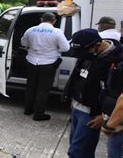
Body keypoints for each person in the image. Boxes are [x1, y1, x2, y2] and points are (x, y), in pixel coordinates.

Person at [63, 29, 122, 157]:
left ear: (97, 45)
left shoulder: (116, 61)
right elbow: (77, 77)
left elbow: (117, 94)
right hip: (76, 107)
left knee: (77, 152)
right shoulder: (87, 53)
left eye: (85, 52)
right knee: (79, 149)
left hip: (91, 114)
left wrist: (105, 115)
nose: (82, 55)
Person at [21, 12, 70, 121]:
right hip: (48, 63)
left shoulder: (31, 30)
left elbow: (23, 43)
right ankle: (39, 114)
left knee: (30, 87)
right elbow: (65, 48)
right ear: (54, 21)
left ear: (41, 19)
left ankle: (28, 109)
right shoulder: (57, 32)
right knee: (43, 89)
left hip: (31, 61)